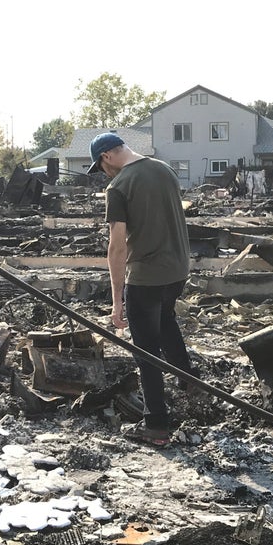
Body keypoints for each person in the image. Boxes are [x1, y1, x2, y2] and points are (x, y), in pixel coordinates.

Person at [89, 131, 197, 447]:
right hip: (177, 271)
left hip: (147, 276)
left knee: (145, 351)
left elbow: (117, 247)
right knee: (164, 320)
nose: (103, 174)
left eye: (101, 167)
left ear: (107, 156)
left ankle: (156, 426)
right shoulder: (164, 169)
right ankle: (188, 381)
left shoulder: (119, 186)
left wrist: (116, 300)